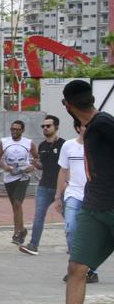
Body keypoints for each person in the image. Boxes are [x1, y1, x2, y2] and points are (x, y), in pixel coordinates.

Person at [33, 80, 114, 304]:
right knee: (77, 268)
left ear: (67, 105)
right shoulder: (93, 127)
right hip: (93, 209)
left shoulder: (103, 123)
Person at [52, 119, 98, 283]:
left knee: (92, 233)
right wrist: (58, 196)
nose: (87, 129)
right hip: (73, 192)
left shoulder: (99, 146)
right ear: (78, 128)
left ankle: (90, 270)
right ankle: (77, 265)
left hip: (94, 194)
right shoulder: (68, 146)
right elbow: (63, 171)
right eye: (85, 126)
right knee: (71, 228)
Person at [19, 115, 64, 255]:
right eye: (43, 126)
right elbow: (42, 166)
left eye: (48, 126)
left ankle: (75, 248)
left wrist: (66, 184)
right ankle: (33, 245)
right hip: (44, 186)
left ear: (56, 127)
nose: (45, 128)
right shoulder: (42, 145)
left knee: (70, 218)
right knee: (38, 216)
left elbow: (67, 167)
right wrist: (35, 164)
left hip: (61, 187)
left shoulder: (64, 144)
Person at [0, 120, 38, 245]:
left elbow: (37, 157)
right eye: (13, 129)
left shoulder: (28, 143)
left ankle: (17, 233)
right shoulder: (4, 142)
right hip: (9, 177)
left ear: (22, 131)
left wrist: (32, 166)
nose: (14, 131)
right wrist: (5, 167)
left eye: (17, 129)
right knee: (15, 206)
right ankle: (22, 229)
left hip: (23, 176)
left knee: (18, 203)